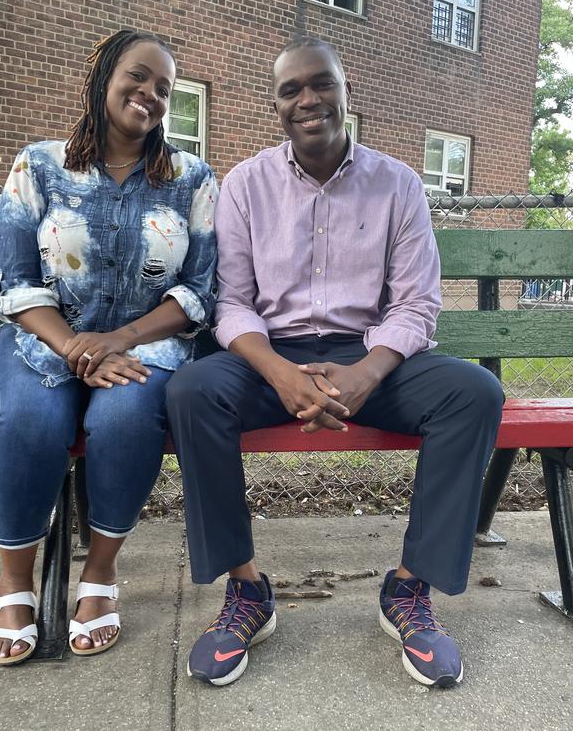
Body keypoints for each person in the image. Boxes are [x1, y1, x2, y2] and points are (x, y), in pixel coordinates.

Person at [165, 37, 503, 688]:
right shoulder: (244, 186)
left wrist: (366, 372)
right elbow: (230, 305)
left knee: (474, 392)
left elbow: (415, 305)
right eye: (291, 89)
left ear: (349, 94)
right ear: (275, 105)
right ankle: (246, 591)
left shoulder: (398, 184)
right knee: (191, 391)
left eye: (321, 84)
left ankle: (409, 589)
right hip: (272, 357)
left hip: (368, 357)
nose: (308, 99)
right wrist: (281, 374)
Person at [0, 29, 218, 665]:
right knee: (32, 420)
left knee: (123, 419)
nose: (150, 95)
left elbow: (199, 293)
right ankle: (13, 584)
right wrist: (74, 346)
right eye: (138, 77)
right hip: (41, 341)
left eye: (164, 89)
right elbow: (11, 283)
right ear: (103, 76)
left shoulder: (190, 179)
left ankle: (101, 574)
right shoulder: (38, 167)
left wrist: (117, 340)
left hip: (145, 347)